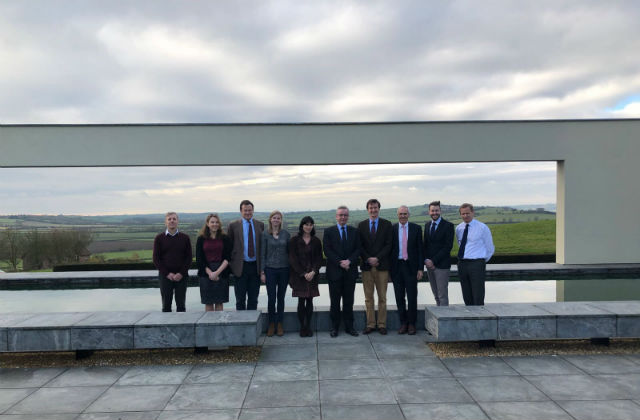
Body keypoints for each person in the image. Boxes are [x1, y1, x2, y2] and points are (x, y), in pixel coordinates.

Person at [323, 205, 361, 337]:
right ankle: (334, 328)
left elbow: (358, 249)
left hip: (350, 272)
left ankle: (350, 327)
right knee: (334, 302)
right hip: (334, 273)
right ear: (336, 216)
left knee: (349, 301)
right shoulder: (328, 231)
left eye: (345, 215)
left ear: (348, 217)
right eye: (340, 215)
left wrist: (349, 261)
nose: (343, 217)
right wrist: (341, 262)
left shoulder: (354, 231)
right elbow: (327, 251)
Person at [357, 198, 393, 335]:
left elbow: (389, 245)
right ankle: (370, 324)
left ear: (379, 209)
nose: (373, 210)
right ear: (367, 210)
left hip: (382, 266)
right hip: (367, 267)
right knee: (368, 297)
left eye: (375, 208)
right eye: (371, 208)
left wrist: (377, 258)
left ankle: (382, 324)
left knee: (382, 297)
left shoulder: (387, 224)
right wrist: (368, 259)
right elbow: (359, 246)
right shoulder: (361, 225)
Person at [390, 206, 424, 335]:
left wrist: (420, 268)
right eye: (400, 214)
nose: (403, 216)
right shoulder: (392, 229)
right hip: (397, 267)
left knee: (412, 297)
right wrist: (389, 271)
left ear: (409, 215)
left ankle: (412, 324)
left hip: (411, 267)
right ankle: (403, 323)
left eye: (405, 214)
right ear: (397, 215)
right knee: (399, 297)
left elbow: (420, 250)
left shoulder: (416, 228)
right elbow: (390, 250)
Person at [288, 216, 322, 337]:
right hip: (299, 277)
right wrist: (303, 273)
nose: (308, 227)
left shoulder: (316, 241)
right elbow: (292, 259)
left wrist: (313, 272)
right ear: (302, 225)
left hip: (313, 276)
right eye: (306, 224)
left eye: (310, 224)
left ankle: (309, 326)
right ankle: (302, 327)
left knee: (310, 301)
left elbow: (319, 259)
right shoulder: (294, 240)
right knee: (301, 301)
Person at [227, 200, 264, 310]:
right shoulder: (233, 225)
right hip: (240, 267)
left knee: (253, 299)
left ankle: (253, 326)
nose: (248, 212)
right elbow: (229, 246)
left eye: (250, 210)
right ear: (241, 211)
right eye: (245, 210)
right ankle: (241, 325)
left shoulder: (260, 225)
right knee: (240, 299)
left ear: (253, 211)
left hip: (255, 267)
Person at [152, 212, 192, 312]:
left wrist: (181, 273)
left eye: (174, 219)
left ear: (177, 221)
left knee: (181, 305)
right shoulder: (159, 238)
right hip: (165, 276)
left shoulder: (185, 238)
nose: (172, 221)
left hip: (182, 276)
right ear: (166, 222)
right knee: (166, 305)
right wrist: (167, 274)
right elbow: (156, 259)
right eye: (169, 219)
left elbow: (189, 258)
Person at [456, 203, 495, 306]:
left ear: (473, 213)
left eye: (467, 213)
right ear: (460, 214)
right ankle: (469, 314)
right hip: (462, 263)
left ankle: (479, 317)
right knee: (466, 292)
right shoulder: (459, 228)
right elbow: (460, 244)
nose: (465, 216)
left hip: (477, 263)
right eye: (463, 214)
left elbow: (490, 248)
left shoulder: (482, 227)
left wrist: (480, 261)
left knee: (478, 293)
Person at [260, 210, 290, 337]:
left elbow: (290, 252)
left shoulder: (286, 234)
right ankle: (271, 323)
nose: (276, 220)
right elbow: (262, 254)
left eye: (278, 218)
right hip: (270, 270)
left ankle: (280, 324)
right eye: (274, 218)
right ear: (270, 220)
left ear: (281, 220)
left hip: (284, 269)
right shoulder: (265, 234)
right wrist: (262, 272)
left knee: (281, 298)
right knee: (271, 298)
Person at [195, 213, 231, 311]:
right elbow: (199, 259)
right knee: (208, 302)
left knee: (219, 302)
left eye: (216, 222)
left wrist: (217, 273)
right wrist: (210, 273)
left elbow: (228, 257)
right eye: (212, 222)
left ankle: (219, 326)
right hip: (206, 274)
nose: (215, 224)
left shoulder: (225, 238)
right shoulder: (201, 239)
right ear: (207, 224)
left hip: (221, 272)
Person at [424, 200, 455, 306]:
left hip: (442, 266)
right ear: (429, 212)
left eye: (436, 210)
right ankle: (438, 318)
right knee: (436, 295)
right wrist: (426, 260)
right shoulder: (427, 225)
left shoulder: (448, 226)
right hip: (429, 266)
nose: (434, 213)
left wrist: (433, 261)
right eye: (432, 211)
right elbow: (426, 245)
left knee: (442, 295)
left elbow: (447, 247)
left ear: (440, 211)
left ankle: (445, 319)